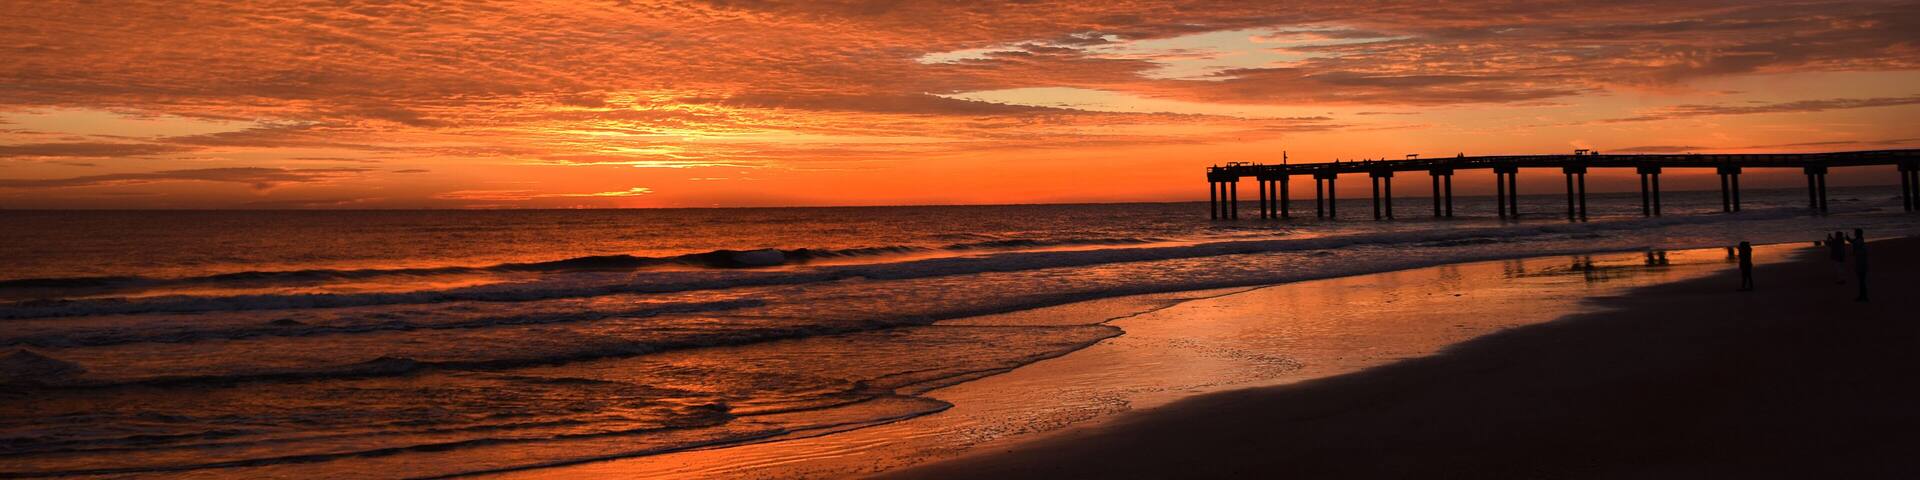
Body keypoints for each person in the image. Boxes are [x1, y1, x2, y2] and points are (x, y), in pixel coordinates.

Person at [1850, 229, 1869, 302]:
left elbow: (1855, 249)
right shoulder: (1861, 240)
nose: (1854, 234)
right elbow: (1854, 242)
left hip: (1860, 263)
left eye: (1855, 233)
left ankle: (1863, 296)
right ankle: (1863, 296)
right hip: (1863, 263)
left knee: (1861, 281)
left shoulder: (1858, 242)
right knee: (1862, 281)